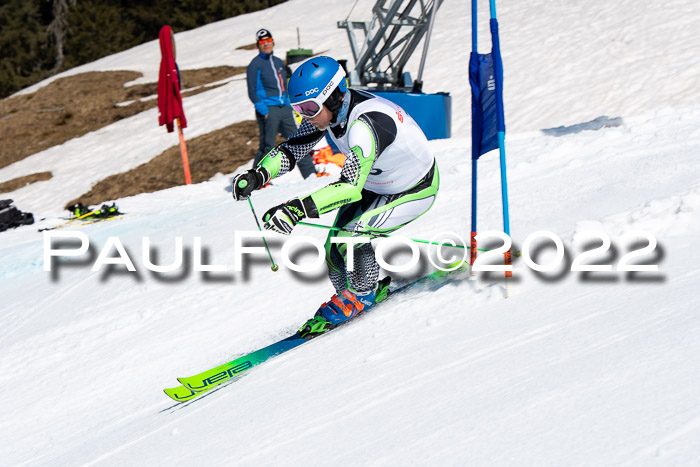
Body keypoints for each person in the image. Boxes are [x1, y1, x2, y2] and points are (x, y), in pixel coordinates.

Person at [233, 56, 439, 337]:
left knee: (352, 236)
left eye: (308, 108)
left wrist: (297, 209)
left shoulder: (364, 124)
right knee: (333, 250)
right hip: (378, 183)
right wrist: (258, 176)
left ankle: (362, 294)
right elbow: (291, 150)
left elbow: (350, 187)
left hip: (415, 188)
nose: (304, 115)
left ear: (333, 97)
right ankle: (351, 294)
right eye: (298, 109)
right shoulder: (328, 114)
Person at [246, 28, 316, 178]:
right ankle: (256, 179)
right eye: (262, 42)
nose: (266, 44)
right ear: (258, 45)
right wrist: (263, 109)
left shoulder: (278, 62)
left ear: (273, 42)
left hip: (284, 108)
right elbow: (252, 90)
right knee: (267, 146)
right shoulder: (255, 64)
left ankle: (311, 174)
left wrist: (287, 103)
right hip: (268, 109)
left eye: (268, 41)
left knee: (298, 141)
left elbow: (283, 85)